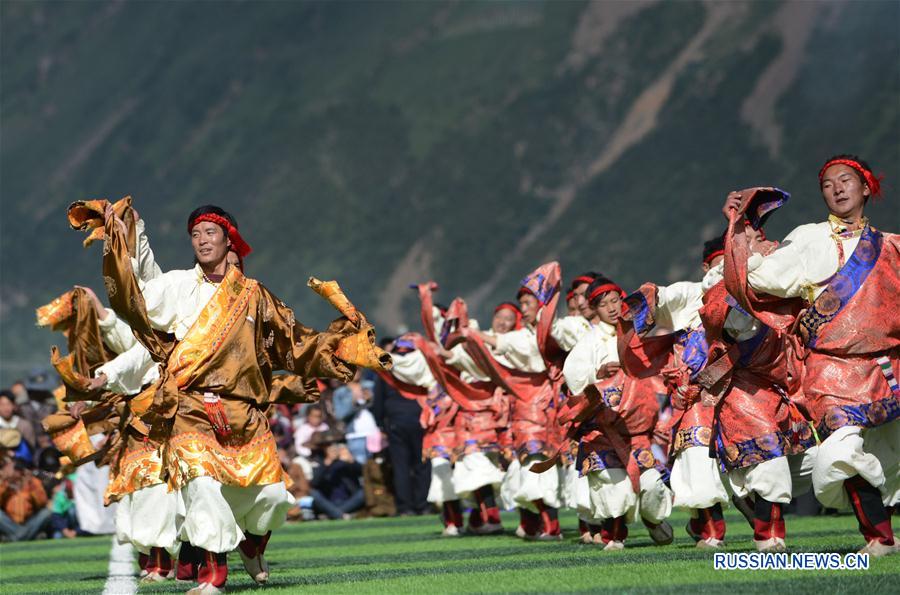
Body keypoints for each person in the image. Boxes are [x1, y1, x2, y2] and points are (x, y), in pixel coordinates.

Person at [90, 200, 389, 593]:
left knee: (273, 498)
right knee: (202, 485)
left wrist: (342, 349)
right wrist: (127, 232)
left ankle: (252, 542)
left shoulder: (254, 295)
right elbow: (137, 293)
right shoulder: (177, 285)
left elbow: (293, 342)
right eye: (195, 234)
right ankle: (214, 575)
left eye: (209, 232)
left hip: (242, 410)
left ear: (229, 239)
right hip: (190, 406)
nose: (201, 240)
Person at [722, 156, 898, 556]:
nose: (837, 189)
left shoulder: (889, 247)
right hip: (829, 370)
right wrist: (737, 230)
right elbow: (758, 278)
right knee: (841, 452)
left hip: (883, 368)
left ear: (866, 188)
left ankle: (882, 539)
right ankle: (878, 538)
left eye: (846, 180)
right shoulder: (809, 238)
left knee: (883, 455)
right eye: (828, 184)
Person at [561, 275, 674, 550]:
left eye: (615, 301)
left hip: (640, 429)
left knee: (651, 486)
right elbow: (572, 374)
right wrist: (596, 373)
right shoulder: (589, 341)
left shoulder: (640, 334)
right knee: (614, 487)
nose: (612, 308)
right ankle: (615, 536)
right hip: (604, 429)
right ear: (594, 310)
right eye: (603, 304)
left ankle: (653, 519)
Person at [371, 347, 430, 518]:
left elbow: (378, 400)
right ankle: (423, 504)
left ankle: (405, 507)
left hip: (396, 422)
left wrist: (381, 424)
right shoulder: (421, 366)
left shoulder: (387, 369)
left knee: (401, 466)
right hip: (421, 419)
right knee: (423, 465)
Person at [0, 457, 52, 541]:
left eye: (9, 469)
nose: (6, 471)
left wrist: (30, 485)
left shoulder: (33, 482)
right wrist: (4, 483)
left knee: (47, 513)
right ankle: (28, 536)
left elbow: (42, 503)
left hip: (29, 522)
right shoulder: (4, 484)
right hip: (9, 524)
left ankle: (13, 538)